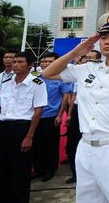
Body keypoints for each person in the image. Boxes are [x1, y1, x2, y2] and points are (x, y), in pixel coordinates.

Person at [42, 12, 109, 202]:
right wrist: (77, 52)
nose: (107, 42)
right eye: (103, 37)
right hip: (86, 148)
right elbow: (48, 73)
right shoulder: (87, 68)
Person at [0, 52, 47, 203]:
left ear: (30, 65)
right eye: (14, 61)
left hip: (22, 128)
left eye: (20, 62)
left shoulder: (37, 83)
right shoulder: (6, 83)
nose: (15, 64)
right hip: (4, 128)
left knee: (19, 169)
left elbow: (38, 111)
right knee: (0, 166)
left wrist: (29, 137)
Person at [33, 53, 73, 182]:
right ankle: (39, 169)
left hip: (51, 115)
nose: (45, 63)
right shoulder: (36, 78)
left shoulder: (61, 78)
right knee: (37, 143)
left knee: (50, 144)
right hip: (35, 116)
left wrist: (60, 115)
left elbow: (66, 96)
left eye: (49, 61)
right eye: (43, 61)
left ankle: (50, 170)